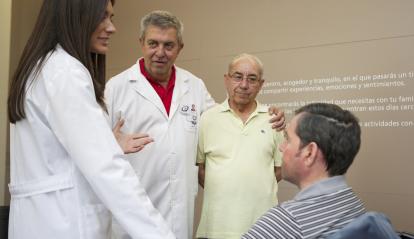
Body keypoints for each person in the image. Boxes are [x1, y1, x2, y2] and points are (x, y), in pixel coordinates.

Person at [105, 10, 285, 239]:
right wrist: (111, 143)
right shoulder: (117, 88)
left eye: (169, 45)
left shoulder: (194, 86)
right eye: (153, 43)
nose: (160, 52)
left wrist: (271, 114)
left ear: (180, 47)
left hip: (179, 209)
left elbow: (225, 116)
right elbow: (95, 150)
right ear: (141, 43)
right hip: (134, 206)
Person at [7, 1, 174, 238]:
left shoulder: (43, 66)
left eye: (111, 17)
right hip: (65, 224)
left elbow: (54, 154)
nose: (111, 27)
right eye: (102, 17)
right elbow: (107, 170)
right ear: (76, 15)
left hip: (41, 222)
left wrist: (106, 143)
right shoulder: (65, 72)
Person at [242, 103, 366, 239]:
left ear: (309, 153)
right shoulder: (354, 204)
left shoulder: (286, 222)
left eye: (288, 139)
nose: (281, 147)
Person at [195, 54, 284, 239]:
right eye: (237, 77)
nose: (244, 85)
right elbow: (200, 170)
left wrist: (252, 185)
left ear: (261, 84)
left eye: (252, 79)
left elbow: (279, 170)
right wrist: (225, 187)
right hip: (216, 228)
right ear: (226, 80)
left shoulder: (274, 120)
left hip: (264, 228)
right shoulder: (207, 119)